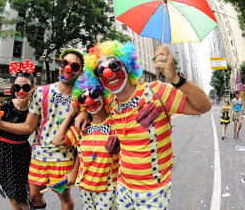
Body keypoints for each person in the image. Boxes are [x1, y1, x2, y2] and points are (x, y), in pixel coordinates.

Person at [75, 40, 212, 209]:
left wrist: (176, 79)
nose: (108, 73)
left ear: (127, 66)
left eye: (115, 66)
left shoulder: (157, 91)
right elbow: (91, 102)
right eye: (100, 70)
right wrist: (83, 111)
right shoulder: (111, 102)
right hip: (123, 187)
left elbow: (204, 106)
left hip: (153, 191)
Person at [0, 49, 84, 210]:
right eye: (64, 63)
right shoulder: (41, 92)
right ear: (59, 64)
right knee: (34, 195)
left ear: (80, 70)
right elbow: (28, 127)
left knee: (64, 196)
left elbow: (82, 141)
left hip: (63, 159)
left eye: (74, 66)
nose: (68, 68)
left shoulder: (82, 98)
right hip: (38, 157)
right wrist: (0, 125)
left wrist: (74, 170)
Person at [52, 65, 120, 209]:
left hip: (109, 189)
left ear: (104, 96)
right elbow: (57, 140)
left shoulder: (117, 124)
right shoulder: (81, 127)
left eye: (94, 94)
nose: (89, 101)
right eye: (83, 97)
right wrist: (72, 114)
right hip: (84, 187)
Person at [0, 69, 36, 210]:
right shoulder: (4, 107)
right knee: (11, 196)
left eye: (26, 87)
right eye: (17, 87)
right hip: (3, 155)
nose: (21, 91)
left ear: (32, 88)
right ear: (12, 88)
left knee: (21, 198)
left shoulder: (34, 109)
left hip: (23, 155)